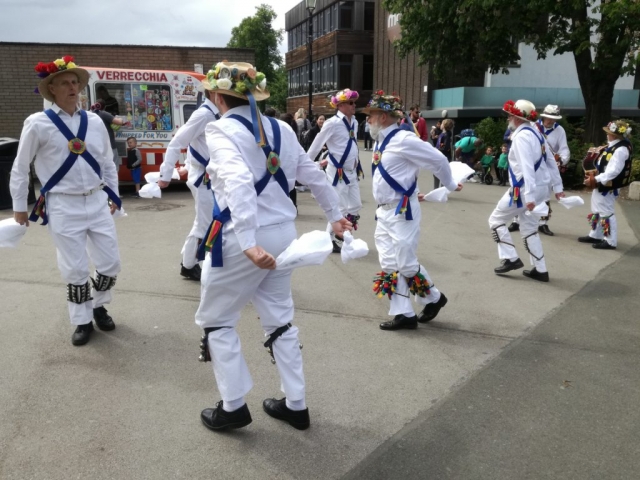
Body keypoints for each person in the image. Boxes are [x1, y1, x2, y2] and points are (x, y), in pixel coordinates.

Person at [194, 61, 351, 432]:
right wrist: (335, 215)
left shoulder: (220, 128)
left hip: (242, 237)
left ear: (217, 96)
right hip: (283, 233)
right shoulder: (281, 126)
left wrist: (247, 240)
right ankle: (295, 404)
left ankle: (233, 406)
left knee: (217, 319)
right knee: (279, 316)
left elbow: (237, 181)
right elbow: (312, 173)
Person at [10, 55, 121, 346]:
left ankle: (97, 304)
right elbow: (21, 167)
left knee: (110, 263)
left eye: (75, 82)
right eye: (65, 83)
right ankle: (83, 320)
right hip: (62, 204)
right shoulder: (37, 123)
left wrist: (114, 195)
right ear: (53, 90)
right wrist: (20, 207)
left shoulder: (95, 121)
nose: (73, 87)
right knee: (75, 268)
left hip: (97, 201)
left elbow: (107, 162)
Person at [365, 91, 463, 331]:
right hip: (385, 212)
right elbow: (400, 172)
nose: (367, 120)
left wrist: (450, 185)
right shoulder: (381, 140)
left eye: (371, 115)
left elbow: (438, 160)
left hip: (402, 212)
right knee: (389, 264)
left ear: (384, 117)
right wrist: (410, 189)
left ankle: (434, 298)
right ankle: (403, 314)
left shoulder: (404, 139)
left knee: (406, 264)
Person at [489, 99, 565, 282]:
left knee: (496, 220)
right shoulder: (537, 133)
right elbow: (550, 162)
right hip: (540, 189)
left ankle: (510, 258)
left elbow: (527, 168)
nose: (508, 118)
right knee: (530, 228)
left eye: (509, 115)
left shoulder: (522, 137)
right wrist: (558, 187)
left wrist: (529, 196)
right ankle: (540, 269)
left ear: (516, 118)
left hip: (524, 190)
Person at [158, 85, 221, 281]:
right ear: (216, 93)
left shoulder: (214, 114)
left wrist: (186, 165)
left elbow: (198, 145)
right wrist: (166, 174)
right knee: (205, 224)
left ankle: (189, 262)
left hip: (208, 177)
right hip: (203, 179)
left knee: (206, 222)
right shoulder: (204, 114)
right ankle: (189, 264)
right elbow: (178, 141)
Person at [307, 88, 362, 252]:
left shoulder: (355, 122)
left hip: (352, 172)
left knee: (355, 206)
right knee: (340, 207)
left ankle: (342, 232)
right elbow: (317, 144)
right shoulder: (332, 123)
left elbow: (350, 147)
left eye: (354, 103)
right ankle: (329, 239)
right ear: (341, 105)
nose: (354, 106)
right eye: (351, 103)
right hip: (338, 173)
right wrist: (306, 164)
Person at [578, 120, 633, 250]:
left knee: (606, 211)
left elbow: (613, 171)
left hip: (608, 186)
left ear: (614, 135)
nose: (607, 135)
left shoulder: (620, 150)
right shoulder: (615, 145)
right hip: (603, 183)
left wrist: (595, 179)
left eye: (608, 133)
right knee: (597, 209)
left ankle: (610, 241)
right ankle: (595, 234)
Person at [534, 105, 571, 236]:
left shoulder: (559, 130)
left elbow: (564, 149)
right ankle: (516, 220)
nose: (551, 121)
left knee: (545, 195)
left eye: (554, 119)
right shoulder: (533, 126)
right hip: (533, 166)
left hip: (548, 167)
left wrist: (561, 160)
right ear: (543, 116)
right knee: (523, 191)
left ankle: (542, 224)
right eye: (549, 118)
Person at [90, 100, 128, 169]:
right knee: (113, 165)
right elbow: (118, 122)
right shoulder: (103, 114)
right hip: (109, 145)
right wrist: (121, 119)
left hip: (97, 145)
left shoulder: (90, 114)